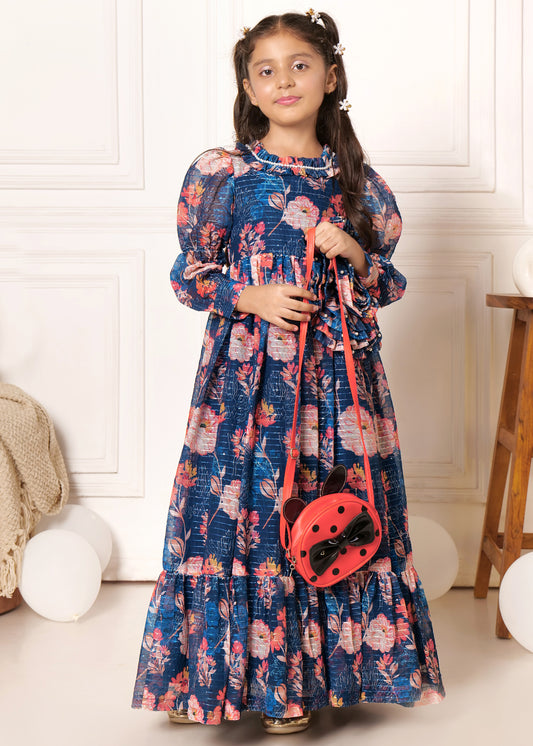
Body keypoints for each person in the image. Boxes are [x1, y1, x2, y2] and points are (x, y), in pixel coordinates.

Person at [132, 9, 445, 734]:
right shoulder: (225, 173)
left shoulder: (358, 183)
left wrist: (355, 253)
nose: (283, 81)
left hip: (336, 390)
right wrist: (251, 294)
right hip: (247, 386)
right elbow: (189, 274)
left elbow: (387, 283)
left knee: (327, 510)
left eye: (299, 66)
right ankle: (210, 682)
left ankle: (303, 684)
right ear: (247, 85)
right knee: (234, 516)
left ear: (330, 77)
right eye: (265, 70)